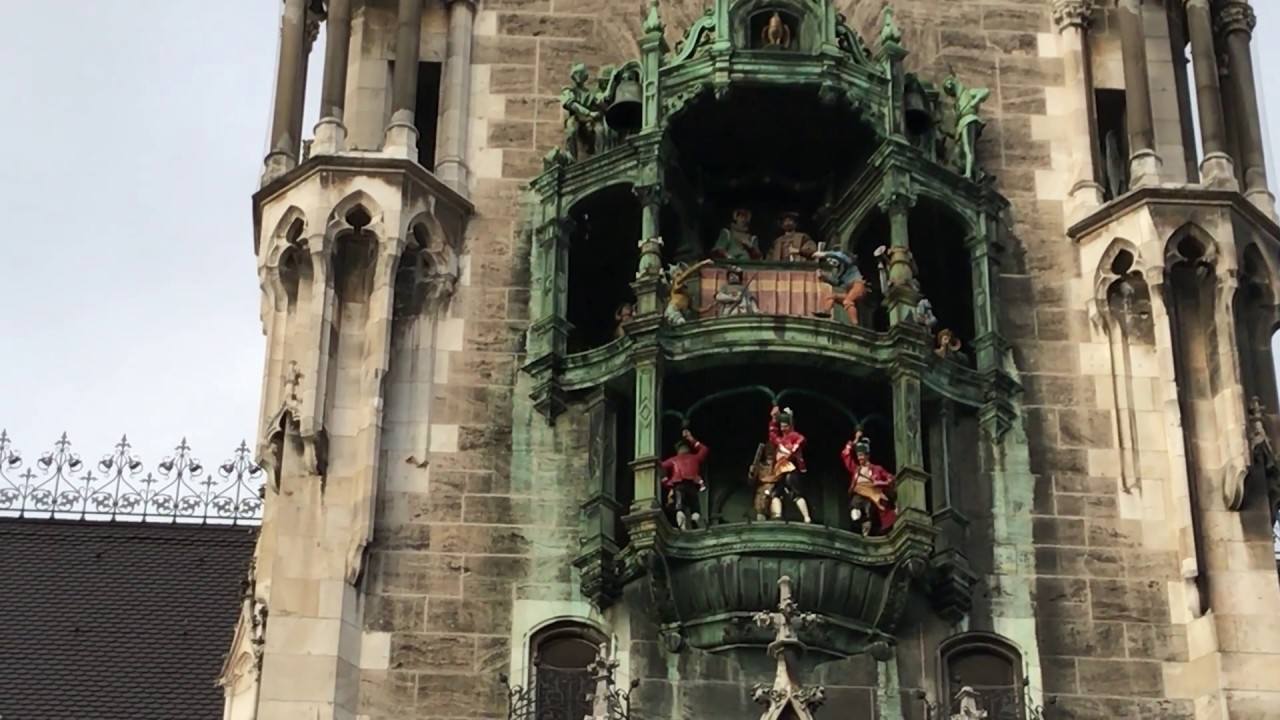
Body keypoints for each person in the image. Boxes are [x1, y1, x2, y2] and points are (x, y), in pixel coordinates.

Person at [841, 431, 896, 536]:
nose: (859, 458)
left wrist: (880, 482)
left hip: (873, 495)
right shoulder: (856, 469)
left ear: (867, 455)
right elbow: (845, 455)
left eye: (861, 455)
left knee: (869, 513)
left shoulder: (877, 469)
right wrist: (855, 441)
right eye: (858, 455)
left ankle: (867, 531)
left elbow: (891, 478)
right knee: (855, 512)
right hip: (859, 493)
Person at [767, 406, 811, 523]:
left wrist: (791, 451)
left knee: (796, 492)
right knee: (776, 493)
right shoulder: (780, 440)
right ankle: (777, 515)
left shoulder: (794, 436)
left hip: (790, 469)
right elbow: (772, 435)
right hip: (780, 471)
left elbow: (801, 440)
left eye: (785, 426)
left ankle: (806, 517)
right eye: (781, 426)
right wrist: (773, 419)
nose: (782, 428)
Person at [661, 429, 709, 530]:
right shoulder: (695, 458)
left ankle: (682, 527)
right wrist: (692, 439)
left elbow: (660, 467)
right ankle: (695, 521)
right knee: (695, 508)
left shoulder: (674, 460)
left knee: (680, 507)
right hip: (692, 485)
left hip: (679, 486)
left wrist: (666, 482)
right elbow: (704, 450)